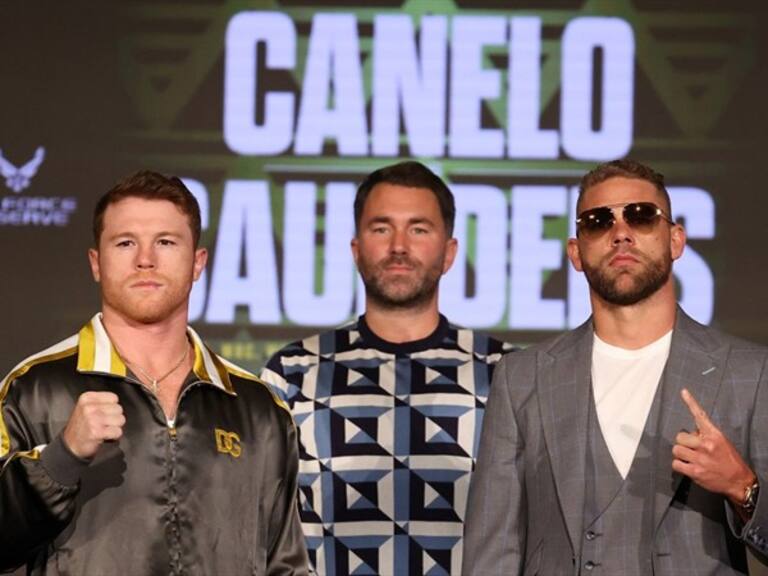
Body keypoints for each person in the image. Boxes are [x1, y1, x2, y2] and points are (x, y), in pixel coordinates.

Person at [462, 159, 768, 575]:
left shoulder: (750, 371)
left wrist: (741, 487)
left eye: (642, 216)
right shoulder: (523, 377)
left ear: (675, 240)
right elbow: (492, 551)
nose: (620, 233)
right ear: (575, 252)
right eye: (597, 221)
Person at [0, 171, 309, 575]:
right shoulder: (34, 388)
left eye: (165, 242)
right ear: (96, 262)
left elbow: (285, 564)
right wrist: (61, 458)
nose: (145, 259)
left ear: (198, 262)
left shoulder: (258, 408)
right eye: (125, 242)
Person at [260, 161, 513, 575]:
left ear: (449, 253)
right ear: (356, 249)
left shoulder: (506, 372)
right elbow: (261, 527)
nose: (399, 246)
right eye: (381, 228)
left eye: (418, 229)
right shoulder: (292, 373)